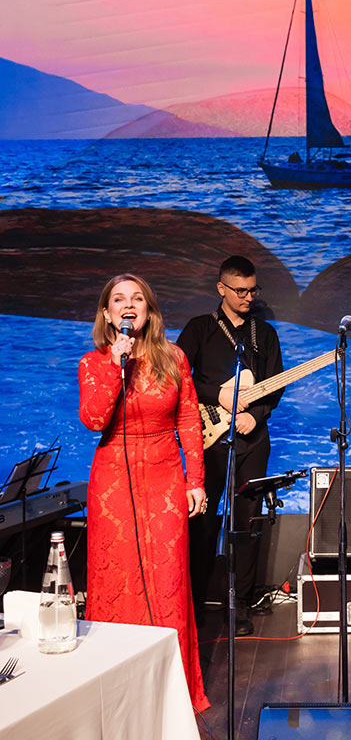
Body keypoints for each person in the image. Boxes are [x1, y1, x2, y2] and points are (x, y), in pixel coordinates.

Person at [79, 274, 208, 712]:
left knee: (167, 579)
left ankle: (171, 692)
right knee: (119, 580)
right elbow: (95, 420)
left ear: (149, 312)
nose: (129, 305)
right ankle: (119, 694)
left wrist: (195, 480)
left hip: (165, 477)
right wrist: (115, 364)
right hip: (113, 482)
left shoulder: (173, 357)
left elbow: (188, 419)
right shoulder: (93, 363)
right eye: (119, 299)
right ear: (107, 313)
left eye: (138, 299)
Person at [178, 255, 284, 636]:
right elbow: (179, 379)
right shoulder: (199, 328)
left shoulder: (264, 334)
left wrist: (257, 415)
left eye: (253, 290)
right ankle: (191, 607)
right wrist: (217, 396)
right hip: (209, 440)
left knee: (247, 523)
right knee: (203, 521)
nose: (248, 297)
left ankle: (239, 606)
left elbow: (275, 385)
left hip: (253, 440)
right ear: (221, 288)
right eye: (240, 291)